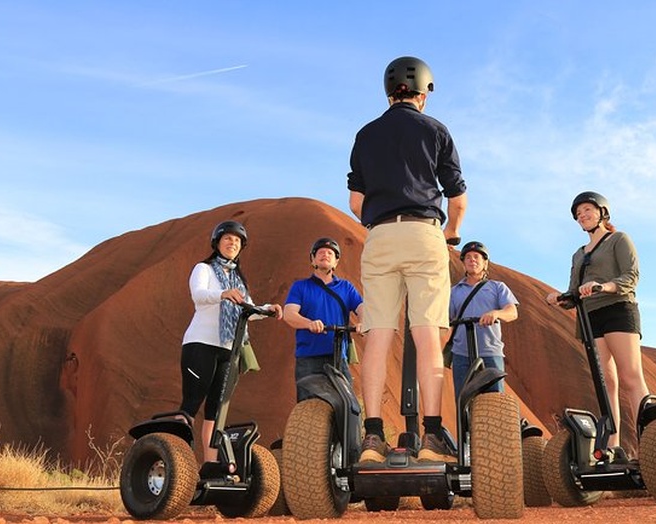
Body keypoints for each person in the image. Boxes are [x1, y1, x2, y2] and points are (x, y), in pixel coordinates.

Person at [347, 56, 467, 463]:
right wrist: (450, 232)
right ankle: (432, 437)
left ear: (389, 91)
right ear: (423, 92)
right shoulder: (435, 130)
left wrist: (382, 226)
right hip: (423, 233)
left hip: (380, 236)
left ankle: (372, 437)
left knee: (377, 334)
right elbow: (458, 198)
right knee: (427, 333)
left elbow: (355, 202)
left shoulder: (365, 134)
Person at [545, 191, 649, 456]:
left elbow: (631, 275)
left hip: (617, 309)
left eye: (587, 211)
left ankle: (650, 442)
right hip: (590, 318)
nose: (583, 217)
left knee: (630, 377)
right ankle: (612, 446)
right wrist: (560, 299)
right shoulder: (578, 254)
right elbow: (574, 291)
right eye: (578, 215)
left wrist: (605, 286)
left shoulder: (618, 239)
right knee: (606, 384)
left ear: (602, 212)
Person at [178, 220, 283, 463]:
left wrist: (267, 309)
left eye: (237, 241)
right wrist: (222, 294)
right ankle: (178, 461)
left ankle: (210, 465)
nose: (232, 243)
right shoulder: (203, 269)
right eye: (227, 238)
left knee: (216, 410)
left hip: (228, 349)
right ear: (217, 242)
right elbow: (199, 296)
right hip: (200, 343)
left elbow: (247, 310)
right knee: (192, 403)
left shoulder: (238, 281)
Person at [283, 237, 364, 401]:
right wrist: (309, 323)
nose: (325, 255)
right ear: (313, 259)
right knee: (308, 405)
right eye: (320, 252)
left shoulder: (346, 287)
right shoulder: (301, 286)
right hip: (308, 357)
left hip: (338, 357)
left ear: (336, 262)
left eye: (330, 253)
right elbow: (289, 314)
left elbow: (362, 309)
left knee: (347, 405)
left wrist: (364, 322)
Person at [443, 241, 519, 401]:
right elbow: (445, 319)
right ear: (463, 263)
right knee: (462, 402)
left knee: (495, 402)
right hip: (461, 354)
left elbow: (512, 312)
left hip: (490, 352)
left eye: (477, 257)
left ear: (485, 262)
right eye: (468, 257)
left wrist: (496, 313)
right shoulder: (454, 291)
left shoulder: (497, 287)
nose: (472, 260)